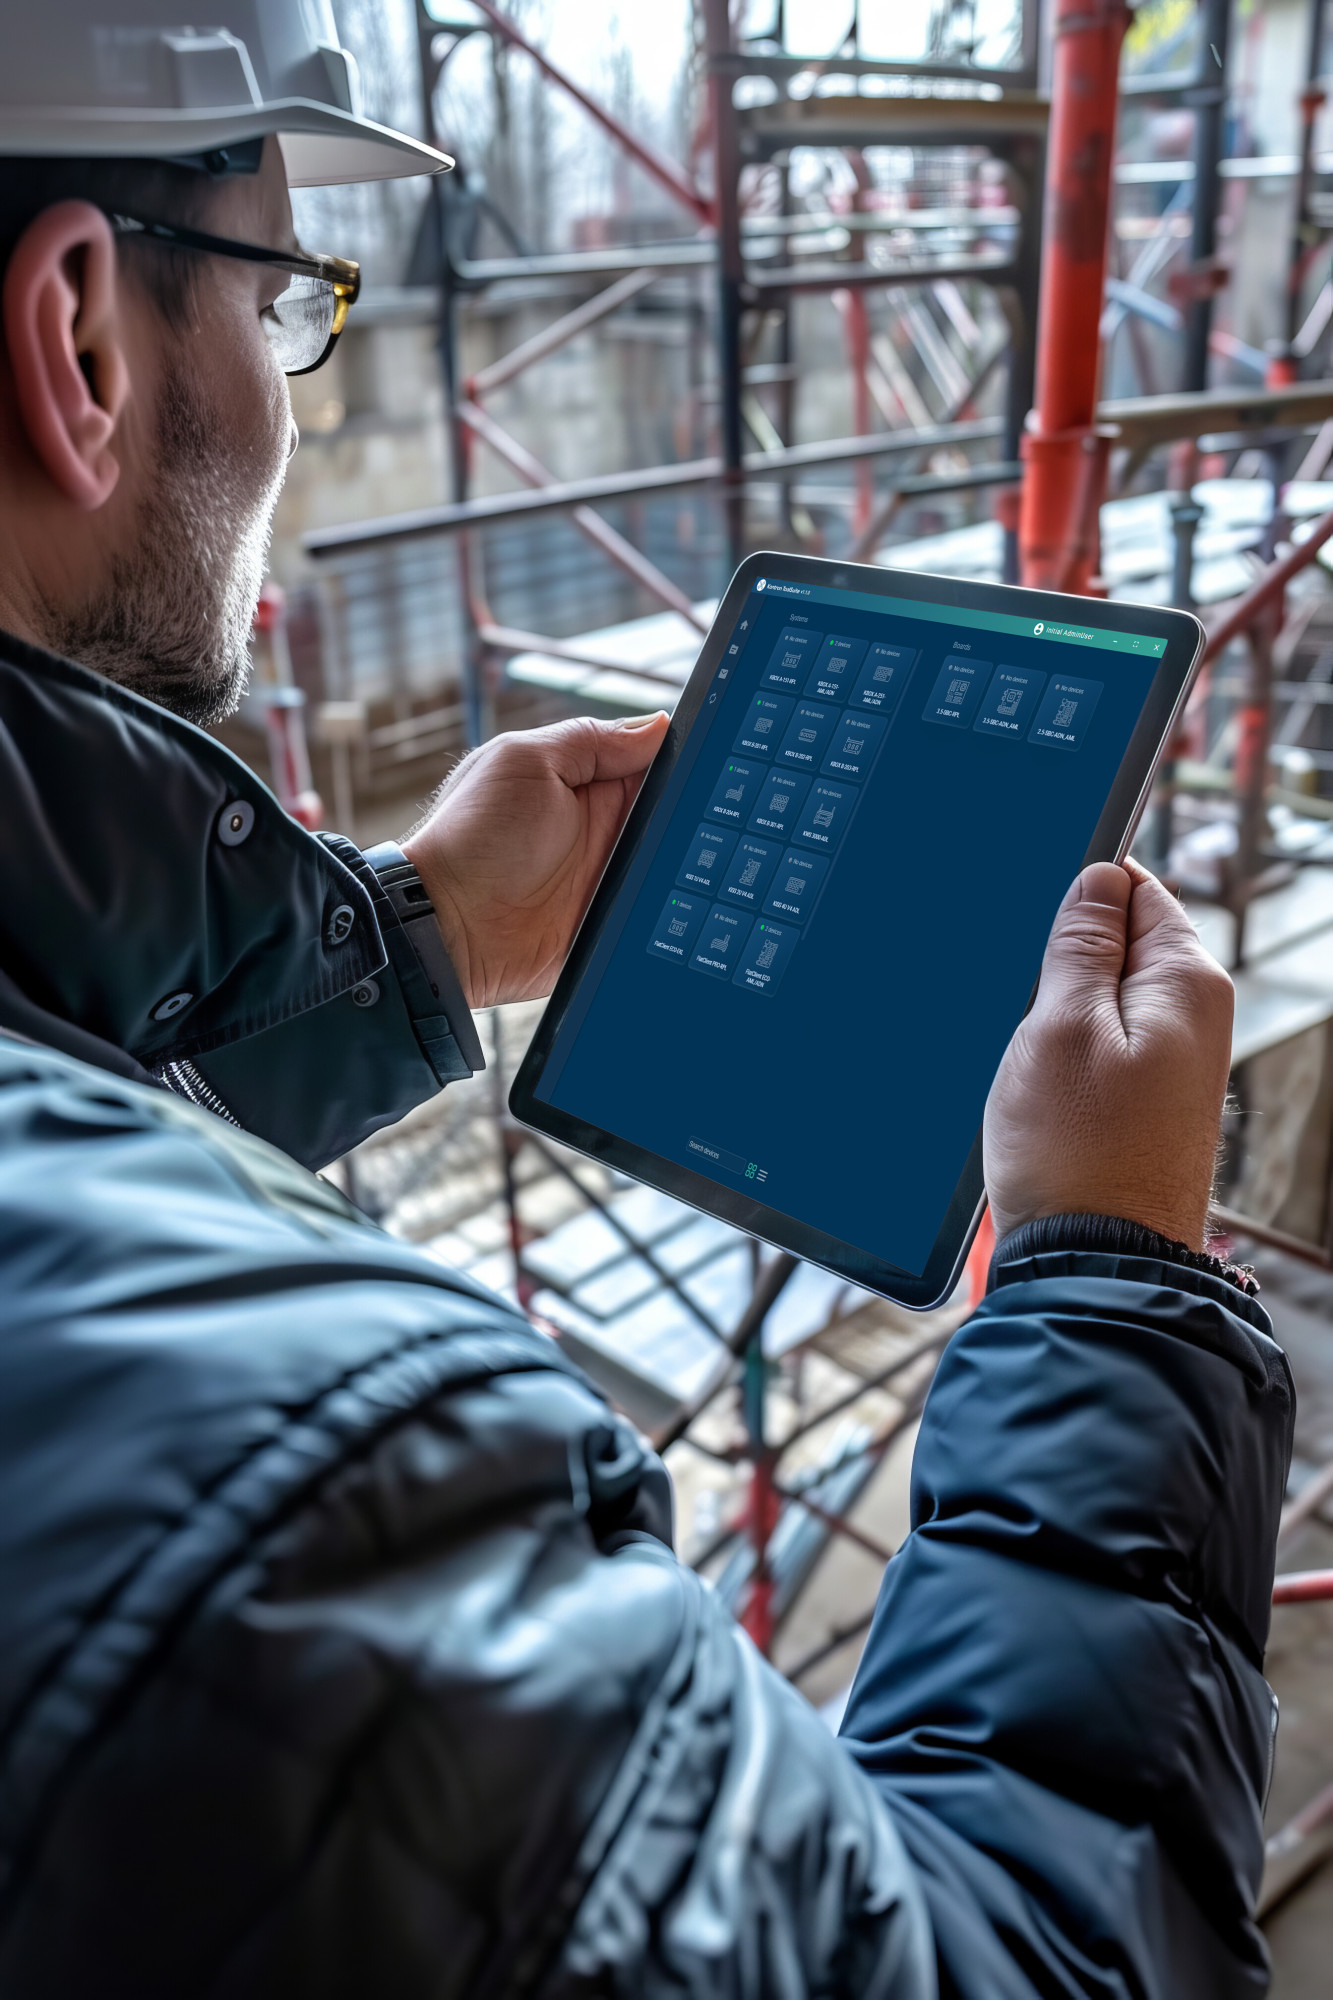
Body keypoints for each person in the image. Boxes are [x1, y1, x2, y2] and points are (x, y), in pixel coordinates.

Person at [0, 7, 1292, 1995]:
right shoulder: (313, 1472)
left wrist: (417, 935)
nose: (286, 394)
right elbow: (1034, 1954)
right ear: (80, 337)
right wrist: (1110, 1275)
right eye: (280, 309)